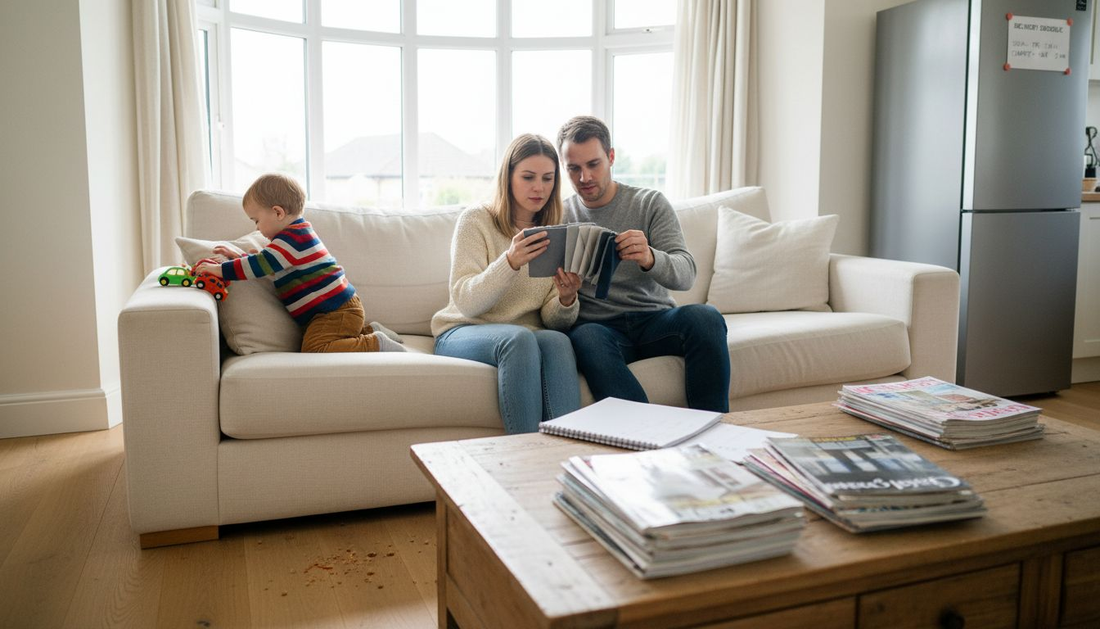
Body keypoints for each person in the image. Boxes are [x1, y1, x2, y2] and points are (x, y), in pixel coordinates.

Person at [556, 115, 731, 412]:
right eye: (574, 168)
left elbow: (686, 274)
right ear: (564, 167)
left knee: (706, 317)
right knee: (585, 337)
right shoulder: (560, 216)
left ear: (611, 157)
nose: (584, 177)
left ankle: (713, 424)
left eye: (593, 164)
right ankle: (645, 428)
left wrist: (650, 257)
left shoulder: (649, 203)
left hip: (656, 321)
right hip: (600, 328)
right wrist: (566, 293)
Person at [431, 134, 583, 434]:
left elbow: (553, 321)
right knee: (519, 339)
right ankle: (523, 451)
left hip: (525, 333)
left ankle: (566, 454)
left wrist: (566, 298)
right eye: (528, 177)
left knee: (557, 341)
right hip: (462, 330)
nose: (539, 187)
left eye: (547, 178)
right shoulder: (476, 220)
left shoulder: (553, 232)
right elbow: (467, 302)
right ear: (508, 177)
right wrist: (510, 262)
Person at [194, 173, 406, 354]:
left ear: (278, 212)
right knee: (328, 338)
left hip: (335, 310)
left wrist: (220, 270)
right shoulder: (289, 239)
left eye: (256, 220)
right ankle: (369, 330)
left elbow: (261, 264)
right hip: (333, 311)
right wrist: (237, 257)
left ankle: (375, 343)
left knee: (315, 348)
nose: (257, 228)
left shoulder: (294, 239)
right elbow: (266, 265)